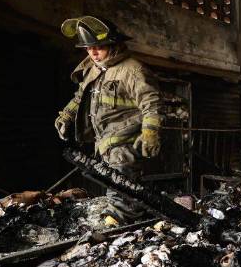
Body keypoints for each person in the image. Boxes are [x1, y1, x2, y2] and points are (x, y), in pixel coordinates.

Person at [55, 16, 161, 226]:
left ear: (114, 44)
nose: (93, 53)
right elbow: (81, 95)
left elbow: (152, 102)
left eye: (98, 47)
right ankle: (133, 213)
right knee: (115, 179)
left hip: (126, 137)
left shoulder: (132, 70)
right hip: (103, 138)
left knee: (121, 178)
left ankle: (117, 222)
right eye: (88, 48)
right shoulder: (94, 67)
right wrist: (67, 114)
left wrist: (150, 132)